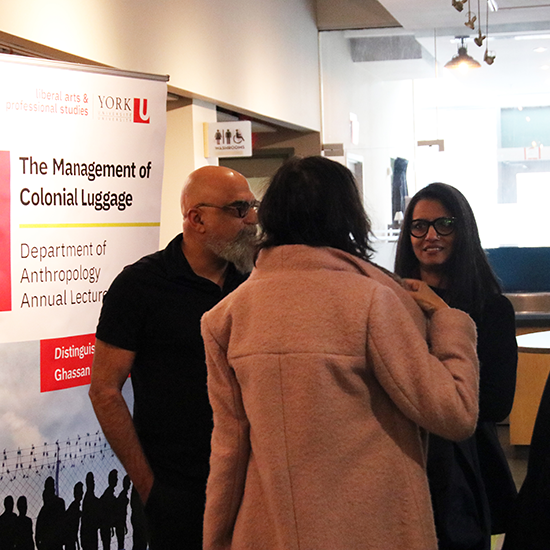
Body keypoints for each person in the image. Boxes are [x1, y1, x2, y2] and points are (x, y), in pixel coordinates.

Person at [200, 156, 480, 550]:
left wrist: (215, 541)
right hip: (370, 529)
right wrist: (451, 323)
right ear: (347, 216)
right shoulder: (373, 302)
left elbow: (229, 452)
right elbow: (454, 412)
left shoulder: (225, 317)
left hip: (268, 532)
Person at [89, 165, 259, 549]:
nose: (252, 220)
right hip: (175, 490)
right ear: (196, 218)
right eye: (239, 209)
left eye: (253, 207)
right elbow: (104, 390)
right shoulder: (139, 287)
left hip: (250, 482)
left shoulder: (254, 282)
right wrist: (149, 487)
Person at [394, 182, 518, 550]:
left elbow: (496, 404)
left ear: (462, 229)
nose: (430, 235)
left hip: (463, 465)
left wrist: (445, 318)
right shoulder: (390, 304)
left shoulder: (492, 309)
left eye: (443, 224)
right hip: (406, 458)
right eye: (419, 226)